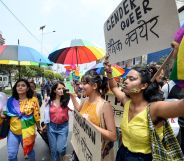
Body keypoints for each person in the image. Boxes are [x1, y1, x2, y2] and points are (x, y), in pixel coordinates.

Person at [104, 43, 184, 160]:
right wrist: (109, 72)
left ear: (143, 86)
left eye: (132, 79)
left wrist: (179, 56)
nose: (126, 81)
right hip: (121, 154)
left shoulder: (155, 109)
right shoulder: (127, 102)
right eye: (126, 78)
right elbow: (115, 88)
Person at [70, 70, 117, 161]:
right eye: (81, 83)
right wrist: (72, 98)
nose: (80, 86)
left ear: (94, 86)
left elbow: (113, 136)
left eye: (84, 83)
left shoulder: (105, 106)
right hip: (82, 151)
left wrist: (90, 124)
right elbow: (79, 111)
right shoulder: (85, 100)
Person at [5, 79, 40, 161]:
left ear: (27, 88)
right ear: (15, 88)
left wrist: (39, 127)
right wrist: (3, 115)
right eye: (18, 85)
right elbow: (6, 113)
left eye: (23, 85)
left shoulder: (33, 100)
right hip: (13, 131)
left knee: (29, 152)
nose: (20, 87)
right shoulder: (10, 100)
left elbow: (37, 115)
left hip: (28, 131)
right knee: (11, 155)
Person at [43, 81, 70, 161]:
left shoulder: (67, 100)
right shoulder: (49, 100)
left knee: (60, 149)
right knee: (53, 150)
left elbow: (78, 108)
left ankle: (63, 156)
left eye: (63, 88)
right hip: (51, 127)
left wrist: (72, 97)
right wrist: (45, 125)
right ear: (54, 90)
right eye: (59, 89)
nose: (61, 90)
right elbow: (46, 113)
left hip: (63, 127)